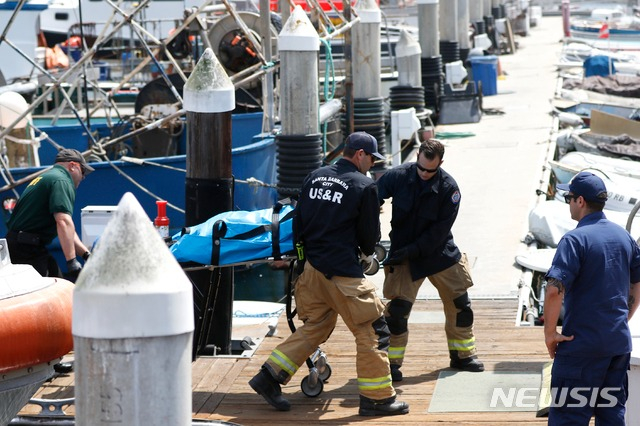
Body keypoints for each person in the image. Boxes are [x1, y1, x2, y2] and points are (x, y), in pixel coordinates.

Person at [249, 132, 409, 416]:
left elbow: (299, 220)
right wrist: (366, 253)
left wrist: (301, 260)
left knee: (316, 327)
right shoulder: (364, 185)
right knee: (373, 331)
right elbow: (369, 235)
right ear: (360, 154)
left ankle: (269, 377)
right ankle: (377, 399)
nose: (371, 165)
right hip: (342, 274)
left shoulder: (315, 176)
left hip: (311, 270)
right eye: (371, 159)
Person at [376, 138, 484, 382]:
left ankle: (462, 356)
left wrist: (413, 249)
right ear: (417, 159)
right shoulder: (398, 176)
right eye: (421, 168)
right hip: (404, 253)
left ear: (441, 164)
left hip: (438, 252)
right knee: (397, 312)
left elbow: (438, 231)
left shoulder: (449, 189)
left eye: (430, 170)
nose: (424, 174)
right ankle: (391, 364)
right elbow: (371, 198)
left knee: (461, 306)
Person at [544, 171, 640, 425]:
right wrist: (624, 316)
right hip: (617, 346)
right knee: (612, 415)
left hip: (581, 348)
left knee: (569, 416)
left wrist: (550, 333)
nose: (568, 203)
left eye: (569, 197)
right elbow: (637, 282)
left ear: (581, 202)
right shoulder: (624, 237)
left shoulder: (574, 240)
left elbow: (554, 289)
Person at [5, 148, 94, 281]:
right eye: (83, 172)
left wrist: (86, 255)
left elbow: (67, 230)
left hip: (23, 245)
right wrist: (71, 262)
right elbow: (63, 221)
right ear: (73, 166)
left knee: (59, 285)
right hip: (26, 250)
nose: (83, 177)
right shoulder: (62, 180)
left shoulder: (47, 177)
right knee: (47, 293)